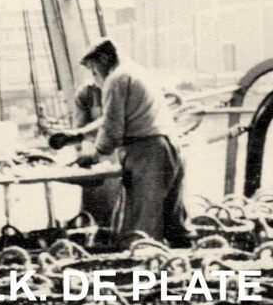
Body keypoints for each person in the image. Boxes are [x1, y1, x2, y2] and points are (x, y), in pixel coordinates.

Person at [50, 39, 190, 246]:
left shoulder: (116, 79)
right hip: (168, 147)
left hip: (147, 152)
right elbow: (112, 118)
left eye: (94, 69)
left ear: (104, 58)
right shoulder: (136, 71)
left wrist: (94, 155)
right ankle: (188, 260)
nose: (94, 76)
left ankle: (140, 264)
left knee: (141, 230)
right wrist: (79, 134)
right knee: (174, 223)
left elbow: (112, 128)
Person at [71, 79, 121, 227]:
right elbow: (80, 129)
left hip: (123, 151)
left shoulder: (123, 86)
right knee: (96, 203)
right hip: (98, 155)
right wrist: (84, 150)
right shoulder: (87, 92)